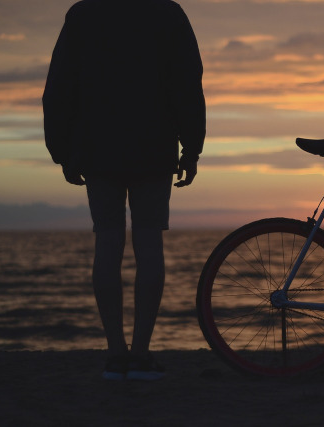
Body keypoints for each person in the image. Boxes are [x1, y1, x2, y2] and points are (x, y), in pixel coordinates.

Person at [43, 0, 205, 380]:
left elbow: (59, 85)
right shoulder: (167, 13)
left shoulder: (83, 14)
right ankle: (141, 353)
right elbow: (187, 82)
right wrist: (192, 147)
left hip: (98, 150)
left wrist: (62, 151)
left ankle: (117, 354)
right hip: (153, 146)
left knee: (108, 243)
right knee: (149, 247)